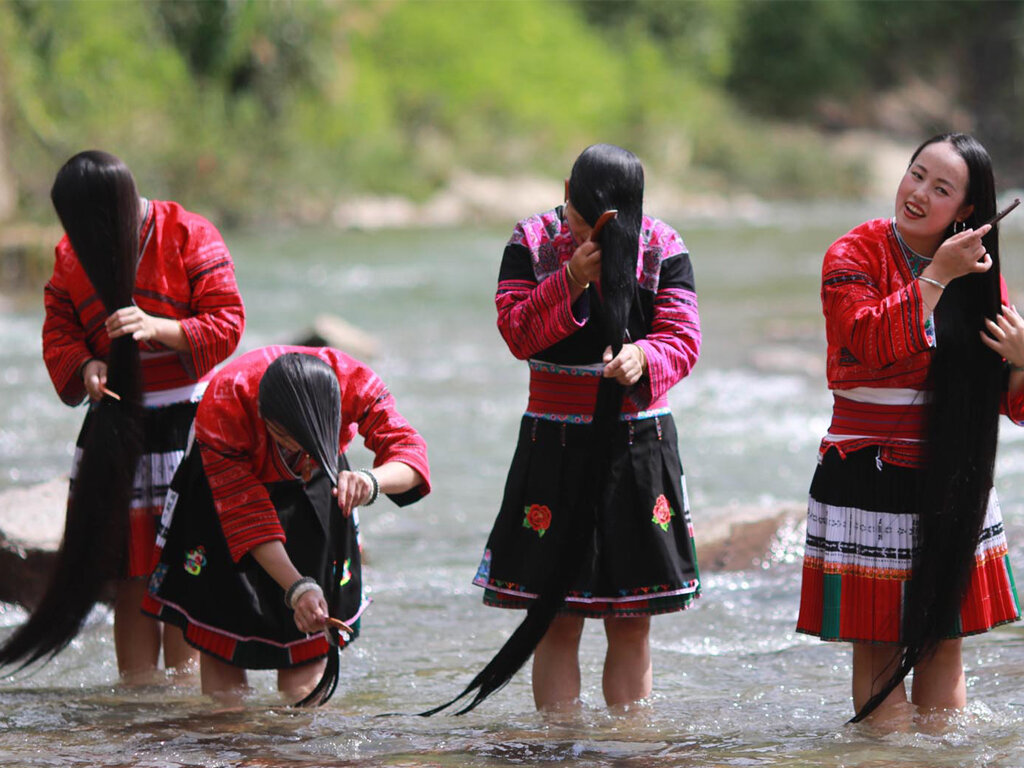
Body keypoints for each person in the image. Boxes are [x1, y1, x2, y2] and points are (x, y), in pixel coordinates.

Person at [435, 144, 701, 714]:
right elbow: (516, 334)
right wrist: (570, 280)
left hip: (637, 444)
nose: (591, 231)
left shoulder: (663, 244)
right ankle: (560, 751)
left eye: (609, 221)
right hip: (553, 441)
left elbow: (684, 338)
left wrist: (644, 360)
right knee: (557, 618)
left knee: (632, 621)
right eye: (583, 217)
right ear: (564, 192)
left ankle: (627, 750)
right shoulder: (530, 241)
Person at [796, 133, 1023, 724]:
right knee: (877, 644)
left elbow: (1006, 403)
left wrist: (1022, 362)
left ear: (967, 211)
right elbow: (868, 344)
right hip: (865, 474)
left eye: (940, 188)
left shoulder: (981, 275)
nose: (918, 193)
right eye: (915, 174)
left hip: (955, 476)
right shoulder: (851, 254)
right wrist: (936, 277)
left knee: (944, 642)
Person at [0, 150, 244, 681]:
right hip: (114, 427)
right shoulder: (71, 257)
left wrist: (161, 328)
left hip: (187, 424)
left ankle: (181, 702)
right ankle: (138, 698)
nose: (83, 235)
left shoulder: (188, 233)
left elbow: (227, 320)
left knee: (186, 564)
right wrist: (85, 364)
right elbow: (58, 331)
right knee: (130, 572)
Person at [143, 346, 430, 706]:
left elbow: (410, 455)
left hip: (321, 480)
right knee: (224, 645)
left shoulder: (354, 384)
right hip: (227, 492)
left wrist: (371, 481)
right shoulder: (225, 403)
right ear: (262, 415)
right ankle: (226, 745)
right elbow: (248, 519)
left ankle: (301, 749)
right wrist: (298, 588)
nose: (296, 450)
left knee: (306, 660)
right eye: (284, 439)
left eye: (302, 441)